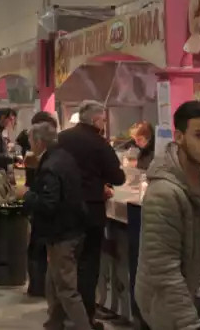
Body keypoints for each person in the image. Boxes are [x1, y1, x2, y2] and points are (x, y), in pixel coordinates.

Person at [135, 101, 200, 329]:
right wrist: (189, 324)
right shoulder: (164, 193)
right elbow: (164, 271)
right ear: (180, 137)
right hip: (184, 302)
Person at [58, 100, 125, 328]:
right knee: (88, 264)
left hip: (65, 209)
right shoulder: (99, 143)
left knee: (65, 265)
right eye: (103, 120)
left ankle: (62, 314)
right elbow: (118, 177)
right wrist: (100, 184)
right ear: (97, 120)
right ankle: (86, 315)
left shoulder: (63, 138)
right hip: (92, 211)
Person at [17, 123, 90, 330]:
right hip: (71, 227)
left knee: (66, 288)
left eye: (31, 141)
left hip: (62, 232)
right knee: (53, 281)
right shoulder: (64, 157)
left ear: (39, 142)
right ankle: (54, 322)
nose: (30, 146)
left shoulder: (51, 166)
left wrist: (26, 195)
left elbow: (49, 204)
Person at [20, 111, 59, 298]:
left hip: (51, 219)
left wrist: (26, 195)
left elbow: (48, 200)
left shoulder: (50, 163)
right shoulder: (52, 158)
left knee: (39, 251)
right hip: (47, 216)